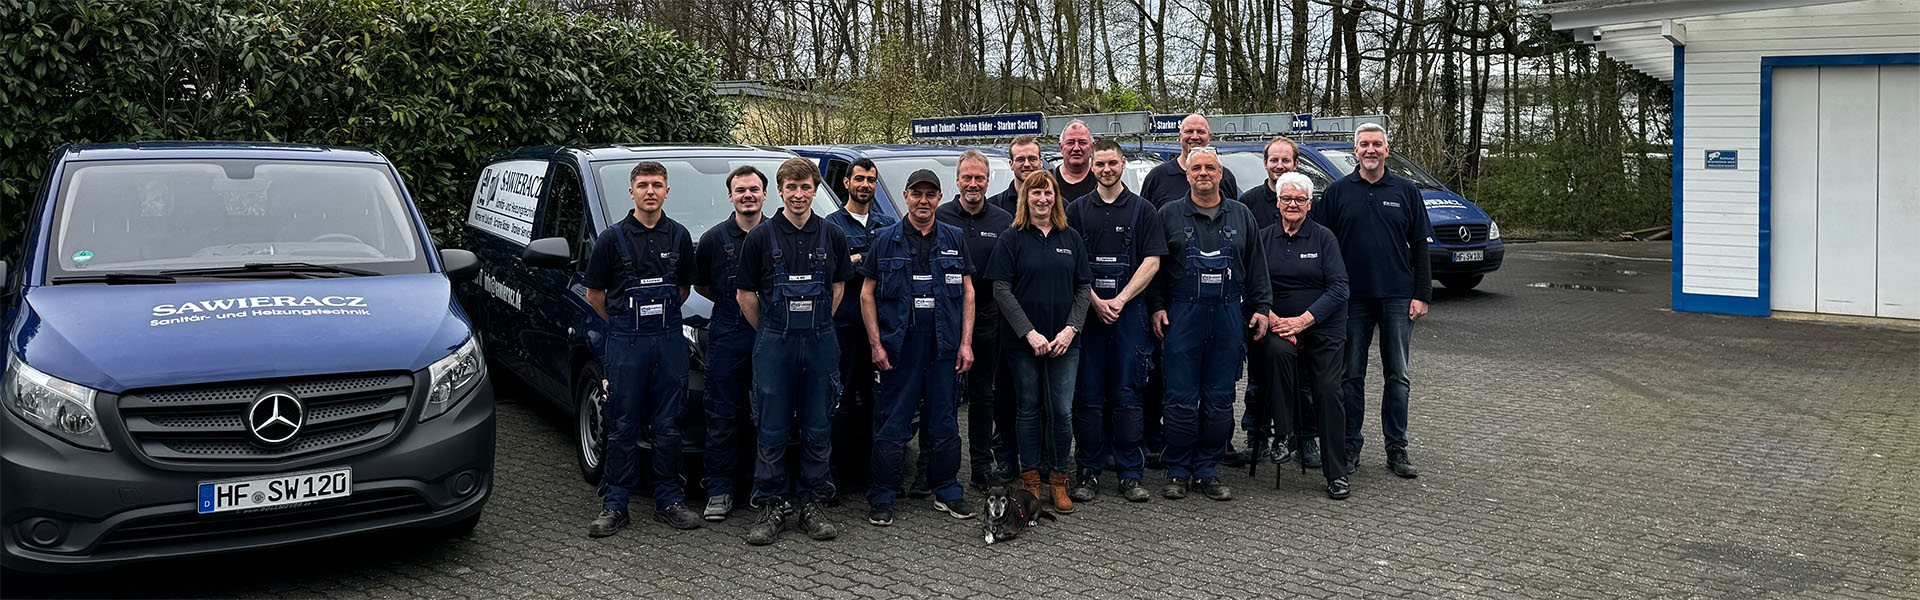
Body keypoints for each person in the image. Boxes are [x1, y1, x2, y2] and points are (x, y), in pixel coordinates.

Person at [735, 157, 856, 545]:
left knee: (818, 424)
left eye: (806, 187)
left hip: (820, 341)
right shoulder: (760, 237)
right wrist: (773, 332)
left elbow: (838, 289)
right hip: (775, 344)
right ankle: (770, 505)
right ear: (781, 191)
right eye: (792, 187)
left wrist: (815, 326)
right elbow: (745, 296)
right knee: (770, 425)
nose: (799, 194)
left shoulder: (833, 235)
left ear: (815, 190)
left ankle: (812, 503)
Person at [582, 161, 702, 538]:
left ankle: (669, 500)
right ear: (631, 192)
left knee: (668, 425)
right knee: (621, 424)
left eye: (657, 185)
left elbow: (684, 289)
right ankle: (615, 504)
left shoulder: (679, 236)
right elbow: (595, 296)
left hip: (667, 341)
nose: (650, 191)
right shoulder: (611, 239)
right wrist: (623, 325)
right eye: (643, 185)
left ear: (668, 191)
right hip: (626, 343)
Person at [1149, 147, 1271, 502]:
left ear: (1221, 174)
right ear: (1187, 174)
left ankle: (1207, 469)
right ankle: (1177, 469)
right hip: (1182, 316)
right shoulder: (1168, 214)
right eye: (1197, 168)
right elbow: (1154, 268)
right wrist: (1156, 306)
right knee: (1180, 400)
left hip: (1229, 315)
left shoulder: (1242, 215)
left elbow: (1258, 269)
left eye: (1211, 168)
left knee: (1219, 400)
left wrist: (1262, 307)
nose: (1203, 173)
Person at [1311, 123, 1431, 479]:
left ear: (1387, 149)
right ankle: (1350, 446)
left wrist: (1422, 294)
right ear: (1356, 150)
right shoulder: (1337, 192)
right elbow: (1321, 245)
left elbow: (1421, 245)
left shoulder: (1406, 191)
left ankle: (1397, 448)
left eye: (1377, 144)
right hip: (1351, 298)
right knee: (1351, 376)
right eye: (1364, 144)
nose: (1370, 150)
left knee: (1399, 375)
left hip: (1397, 295)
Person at [860, 169, 979, 526]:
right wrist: (876, 344)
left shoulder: (955, 237)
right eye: (917, 194)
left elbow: (969, 292)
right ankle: (883, 495)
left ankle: (947, 490)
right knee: (892, 422)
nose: (923, 201)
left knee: (944, 421)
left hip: (944, 346)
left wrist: (966, 343)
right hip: (900, 348)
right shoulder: (885, 239)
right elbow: (867, 294)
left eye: (931, 194)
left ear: (940, 198)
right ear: (907, 196)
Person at [1065, 139, 1165, 504]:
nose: (1106, 170)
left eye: (1112, 163)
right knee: (1088, 397)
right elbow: (1074, 265)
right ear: (1091, 167)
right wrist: (1095, 301)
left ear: (1124, 164)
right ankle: (1088, 472)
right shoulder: (1076, 211)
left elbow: (1152, 261)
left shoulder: (1144, 211)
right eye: (1100, 164)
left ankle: (1130, 473)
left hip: (1129, 316)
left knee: (1127, 396)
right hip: (1089, 317)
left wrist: (1120, 300)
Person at [987, 171, 1092, 514]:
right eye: (1035, 194)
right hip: (1023, 344)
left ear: (1056, 197)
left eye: (1048, 193)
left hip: (1064, 343)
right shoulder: (1011, 238)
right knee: (1028, 410)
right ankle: (1031, 480)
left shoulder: (1071, 237)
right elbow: (1000, 288)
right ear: (1025, 198)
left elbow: (1083, 287)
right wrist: (1028, 332)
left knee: (1061, 411)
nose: (1042, 199)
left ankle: (1059, 481)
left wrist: (1071, 329)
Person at [1252, 172, 1352, 499]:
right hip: (1278, 325)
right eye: (1286, 199)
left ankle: (1335, 471)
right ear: (1277, 203)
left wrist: (1303, 320)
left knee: (1327, 389)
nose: (1292, 204)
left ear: (1310, 204)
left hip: (1321, 326)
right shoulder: (1263, 238)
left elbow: (1340, 287)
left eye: (1299, 199)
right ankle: (1285, 434)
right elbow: (1250, 284)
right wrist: (1271, 315)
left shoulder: (1324, 239)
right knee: (1278, 354)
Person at [690, 165, 768, 522]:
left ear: (766, 194)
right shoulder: (712, 240)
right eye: (741, 190)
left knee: (766, 413)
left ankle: (760, 487)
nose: (747, 195)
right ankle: (719, 489)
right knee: (722, 412)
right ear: (731, 196)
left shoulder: (776, 235)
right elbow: (702, 286)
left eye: (754, 189)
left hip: (770, 331)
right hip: (727, 330)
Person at [937, 152, 1017, 489]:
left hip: (989, 317)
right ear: (957, 180)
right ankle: (935, 465)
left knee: (984, 396)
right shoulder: (940, 216)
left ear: (988, 181)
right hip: (946, 316)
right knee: (941, 395)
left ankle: (982, 465)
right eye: (967, 177)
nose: (973, 184)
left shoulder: (1003, 220)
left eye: (979, 178)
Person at [1227, 137, 1306, 469]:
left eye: (1285, 160)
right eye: (1274, 160)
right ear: (1265, 164)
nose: (1279, 165)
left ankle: (1304, 438)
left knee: (1303, 380)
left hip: (1299, 310)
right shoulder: (1248, 203)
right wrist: (1262, 307)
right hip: (1258, 307)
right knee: (1258, 378)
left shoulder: (1305, 198)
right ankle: (1255, 435)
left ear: (1295, 164)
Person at [825, 159, 898, 491]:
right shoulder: (832, 227)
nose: (865, 185)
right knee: (842, 401)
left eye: (871, 180)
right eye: (859, 179)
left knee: (876, 401)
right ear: (847, 183)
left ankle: (875, 474)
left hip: (882, 328)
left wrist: (857, 262)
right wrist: (858, 264)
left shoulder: (886, 226)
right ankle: (837, 476)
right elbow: (831, 273)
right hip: (846, 327)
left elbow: (894, 268)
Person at [1139, 114, 1242, 207]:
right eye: (1189, 131)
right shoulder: (1157, 177)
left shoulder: (1224, 177)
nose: (1195, 137)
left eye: (1201, 132)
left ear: (1209, 137)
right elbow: (1145, 219)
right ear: (1180, 136)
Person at [989, 136, 1045, 215]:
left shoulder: (1057, 204)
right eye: (1020, 160)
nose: (1027, 164)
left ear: (1041, 162)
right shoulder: (994, 206)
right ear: (1011, 164)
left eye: (1032, 159)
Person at [1050, 121, 1099, 205]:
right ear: (1061, 147)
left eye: (1082, 142)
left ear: (1092, 147)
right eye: (1070, 143)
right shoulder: (1047, 181)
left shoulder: (1103, 181)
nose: (1076, 148)